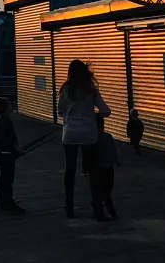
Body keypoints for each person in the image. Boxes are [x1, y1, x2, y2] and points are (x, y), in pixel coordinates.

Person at [58, 59, 110, 220]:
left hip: (70, 133)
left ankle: (69, 206)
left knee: (70, 170)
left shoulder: (65, 89)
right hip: (89, 133)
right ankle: (98, 209)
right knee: (93, 172)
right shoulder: (91, 89)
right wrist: (94, 115)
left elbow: (60, 111)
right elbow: (106, 111)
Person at [0, 97, 26, 214]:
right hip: (8, 156)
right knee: (8, 180)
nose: (12, 105)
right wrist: (19, 151)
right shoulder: (7, 122)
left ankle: (3, 201)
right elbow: (11, 140)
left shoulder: (0, 122)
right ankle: (9, 203)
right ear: (6, 108)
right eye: (9, 104)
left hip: (3, 155)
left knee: (4, 180)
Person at [93, 114, 120, 221]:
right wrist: (117, 160)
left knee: (103, 191)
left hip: (100, 168)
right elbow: (113, 150)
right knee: (107, 191)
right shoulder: (107, 137)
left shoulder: (93, 139)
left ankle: (100, 207)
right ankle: (112, 212)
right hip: (107, 168)